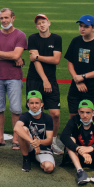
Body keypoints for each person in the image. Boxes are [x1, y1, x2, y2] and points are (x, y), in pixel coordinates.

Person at [0, 8, 27, 149]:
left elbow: (16, 55)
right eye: (1, 18)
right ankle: (0, 138)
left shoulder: (20, 35)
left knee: (16, 109)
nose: (4, 20)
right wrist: (11, 56)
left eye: (6, 17)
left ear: (13, 18)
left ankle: (16, 138)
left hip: (14, 77)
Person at [65, 15, 94, 125]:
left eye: (86, 26)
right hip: (76, 88)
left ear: (93, 28)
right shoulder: (75, 41)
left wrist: (83, 76)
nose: (82, 29)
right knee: (74, 116)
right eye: (80, 26)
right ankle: (76, 136)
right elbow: (70, 63)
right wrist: (77, 80)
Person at [25, 14, 63, 154]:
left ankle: (52, 142)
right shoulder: (33, 38)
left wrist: (37, 56)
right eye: (39, 23)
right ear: (36, 26)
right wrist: (44, 80)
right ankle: (33, 142)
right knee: (34, 111)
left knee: (55, 113)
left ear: (49, 23)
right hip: (35, 79)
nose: (42, 25)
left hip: (51, 79)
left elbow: (56, 60)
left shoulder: (57, 38)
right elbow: (35, 62)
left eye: (43, 22)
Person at [60, 100, 94, 187]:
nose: (85, 115)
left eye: (88, 112)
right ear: (78, 112)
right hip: (78, 155)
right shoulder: (74, 120)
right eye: (82, 112)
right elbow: (63, 136)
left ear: (93, 113)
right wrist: (79, 149)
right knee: (71, 139)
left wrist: (92, 148)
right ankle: (80, 171)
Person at [14, 91, 55, 174]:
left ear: (41, 104)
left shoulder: (48, 118)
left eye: (37, 103)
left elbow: (49, 140)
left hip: (43, 148)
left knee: (49, 168)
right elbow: (16, 128)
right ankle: (26, 158)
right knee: (23, 129)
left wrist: (38, 142)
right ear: (28, 104)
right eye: (31, 103)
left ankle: (37, 159)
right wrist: (33, 143)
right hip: (30, 146)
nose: (34, 105)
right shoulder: (25, 115)